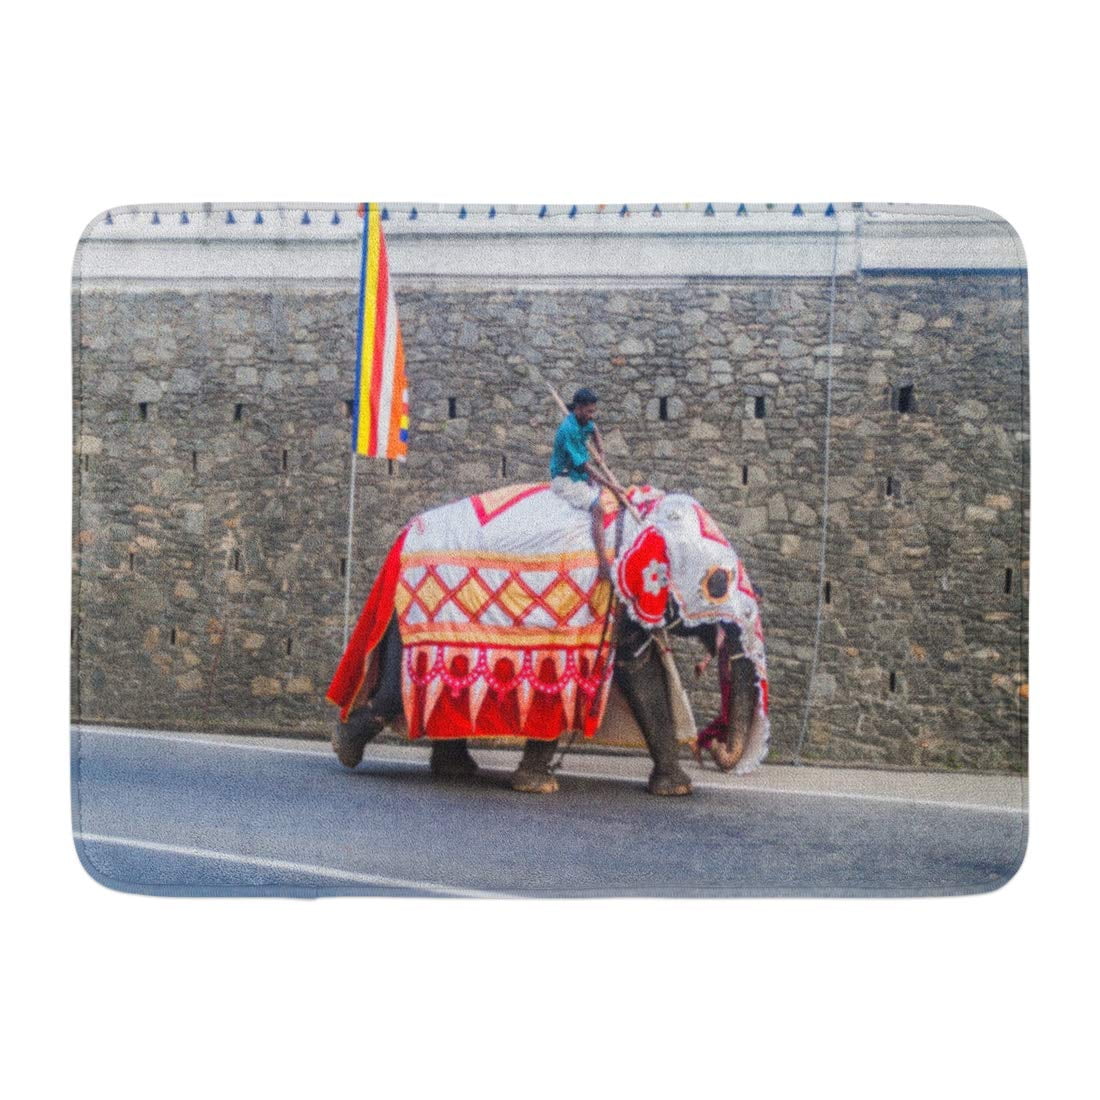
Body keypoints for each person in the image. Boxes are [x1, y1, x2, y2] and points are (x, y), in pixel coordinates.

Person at [550, 387, 613, 582]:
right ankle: (602, 563)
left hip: (579, 474)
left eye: (593, 411)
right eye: (589, 411)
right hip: (565, 478)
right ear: (577, 408)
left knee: (603, 493)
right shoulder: (568, 430)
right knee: (598, 509)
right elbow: (585, 467)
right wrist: (612, 485)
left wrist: (601, 452)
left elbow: (594, 430)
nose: (591, 415)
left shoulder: (584, 420)